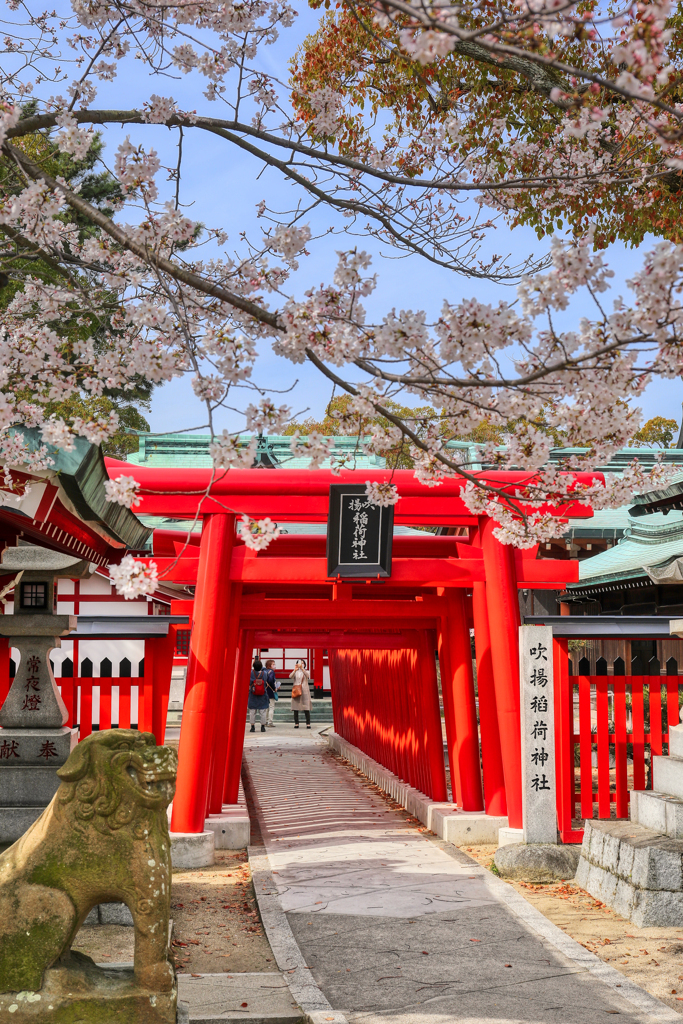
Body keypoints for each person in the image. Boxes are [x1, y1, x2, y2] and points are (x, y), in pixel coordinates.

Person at [248, 658, 270, 733]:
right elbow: (266, 679)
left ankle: (252, 727)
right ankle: (263, 727)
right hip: (262, 694)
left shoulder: (250, 673)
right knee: (262, 711)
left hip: (253, 694)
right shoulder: (265, 674)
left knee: (252, 712)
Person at [289, 659, 312, 729]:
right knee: (295, 707)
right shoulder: (295, 672)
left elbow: (308, 676)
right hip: (296, 689)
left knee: (306, 707)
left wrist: (302, 669)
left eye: (302, 663)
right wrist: (294, 670)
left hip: (304, 690)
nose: (301, 664)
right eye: (299, 663)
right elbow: (290, 676)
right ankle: (296, 723)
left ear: (304, 664)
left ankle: (308, 723)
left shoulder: (306, 671)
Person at [265, 659, 278, 727]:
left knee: (266, 707)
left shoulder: (264, 671)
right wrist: (274, 688)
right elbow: (270, 680)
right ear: (269, 665)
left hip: (265, 691)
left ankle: (265, 721)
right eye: (273, 664)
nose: (274, 666)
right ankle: (270, 721)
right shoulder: (271, 672)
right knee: (271, 707)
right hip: (270, 691)